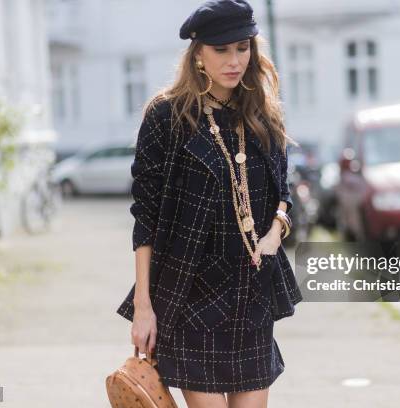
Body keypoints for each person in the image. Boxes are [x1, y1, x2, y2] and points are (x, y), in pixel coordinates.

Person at [115, 1, 303, 407]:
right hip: (189, 295)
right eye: (222, 50)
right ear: (198, 53)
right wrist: (144, 308)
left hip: (250, 294)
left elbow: (283, 197)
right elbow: (144, 218)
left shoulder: (263, 114)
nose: (234, 61)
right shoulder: (167, 115)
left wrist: (275, 233)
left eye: (242, 48)